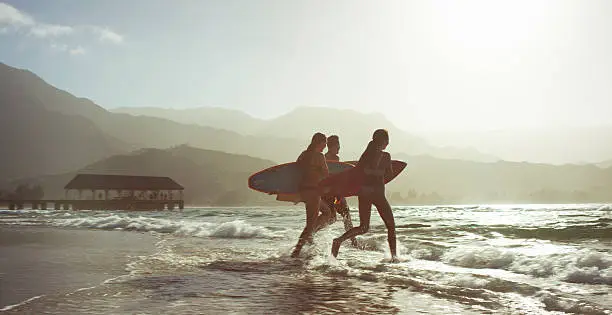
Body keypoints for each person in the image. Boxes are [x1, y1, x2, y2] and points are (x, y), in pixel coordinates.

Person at [331, 129, 397, 261]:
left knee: (363, 227)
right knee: (391, 226)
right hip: (378, 194)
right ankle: (394, 257)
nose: (388, 143)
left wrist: (370, 172)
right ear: (383, 141)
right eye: (387, 140)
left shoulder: (366, 156)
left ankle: (339, 240)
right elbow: (389, 175)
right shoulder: (386, 156)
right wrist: (378, 173)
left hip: (364, 193)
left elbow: (357, 173)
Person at [291, 132, 333, 258]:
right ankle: (296, 252)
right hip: (314, 192)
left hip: (304, 191)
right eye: (324, 143)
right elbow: (326, 174)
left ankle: (310, 240)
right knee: (310, 224)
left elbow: (295, 169)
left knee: (327, 213)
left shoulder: (304, 154)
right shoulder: (319, 156)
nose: (325, 146)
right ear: (319, 143)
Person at [321, 135, 358, 247]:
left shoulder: (335, 159)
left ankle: (353, 241)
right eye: (337, 145)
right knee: (333, 218)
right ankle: (311, 233)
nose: (339, 148)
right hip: (330, 193)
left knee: (344, 215)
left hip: (335, 192)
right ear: (331, 146)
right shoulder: (325, 159)